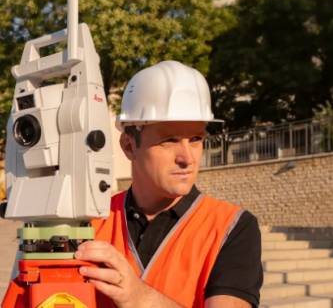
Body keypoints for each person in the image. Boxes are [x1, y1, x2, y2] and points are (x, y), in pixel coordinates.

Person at [76, 61, 263, 308]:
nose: (187, 157)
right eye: (170, 140)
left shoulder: (232, 227)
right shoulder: (89, 219)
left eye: (196, 139)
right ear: (129, 146)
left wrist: (139, 297)